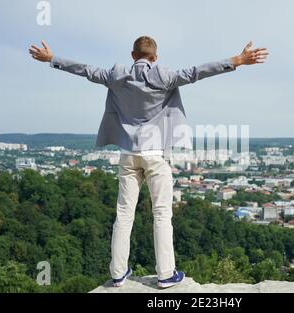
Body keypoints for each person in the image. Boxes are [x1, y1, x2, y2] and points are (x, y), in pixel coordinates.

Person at [29, 36, 268, 288]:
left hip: (128, 153)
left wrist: (51, 59)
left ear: (133, 55)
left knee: (123, 214)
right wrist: (238, 61)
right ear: (155, 58)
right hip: (156, 154)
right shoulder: (165, 76)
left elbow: (84, 70)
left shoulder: (116, 76)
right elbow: (200, 71)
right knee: (162, 214)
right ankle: (166, 274)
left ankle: (118, 273)